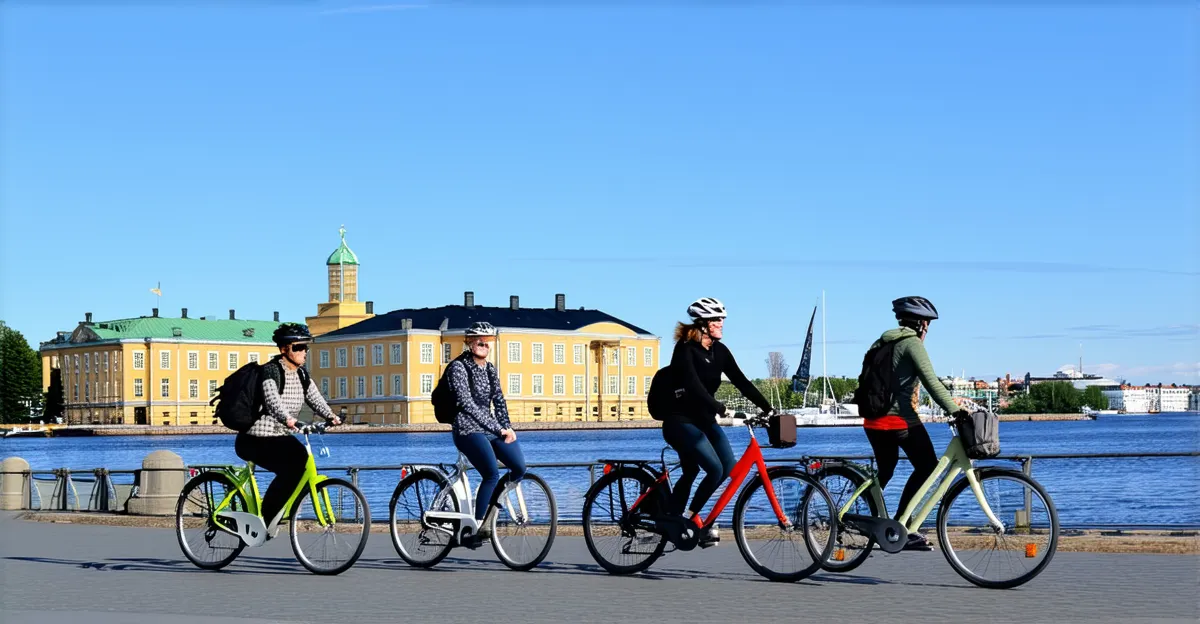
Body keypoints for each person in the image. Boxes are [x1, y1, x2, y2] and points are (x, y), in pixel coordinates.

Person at [664, 297, 774, 547]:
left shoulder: (720, 351)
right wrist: (719, 407)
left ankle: (690, 518)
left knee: (727, 467)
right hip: (679, 420)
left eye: (722, 318)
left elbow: (741, 381)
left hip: (704, 421)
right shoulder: (685, 348)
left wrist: (769, 408)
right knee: (709, 469)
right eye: (716, 319)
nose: (721, 323)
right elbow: (692, 384)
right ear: (703, 323)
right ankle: (685, 520)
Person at [864, 296, 967, 551]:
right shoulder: (911, 344)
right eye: (928, 324)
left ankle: (872, 523)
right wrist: (956, 410)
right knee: (928, 467)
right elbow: (932, 382)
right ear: (921, 323)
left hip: (872, 421)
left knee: (884, 472)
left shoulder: (882, 341)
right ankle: (903, 526)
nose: (928, 329)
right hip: (900, 422)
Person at [234, 322, 340, 531]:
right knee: (290, 470)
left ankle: (284, 511)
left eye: (306, 347)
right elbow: (273, 402)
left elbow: (315, 399)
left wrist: (331, 416)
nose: (304, 352)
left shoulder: (301, 374)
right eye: (299, 347)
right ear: (284, 350)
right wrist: (289, 419)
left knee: (300, 460)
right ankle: (266, 518)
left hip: (279, 435)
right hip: (255, 438)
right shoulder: (271, 371)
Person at [447, 321, 525, 541]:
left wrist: (507, 427)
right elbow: (467, 405)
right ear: (469, 343)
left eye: (488, 342)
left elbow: (499, 400)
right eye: (479, 341)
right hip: (466, 428)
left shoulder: (489, 369)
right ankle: (477, 527)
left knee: (519, 467)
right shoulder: (458, 368)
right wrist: (498, 428)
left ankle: (491, 514)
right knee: (491, 473)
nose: (484, 345)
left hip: (489, 428)